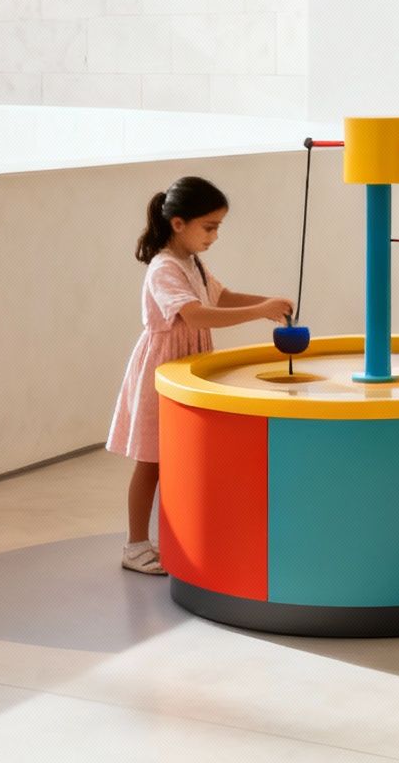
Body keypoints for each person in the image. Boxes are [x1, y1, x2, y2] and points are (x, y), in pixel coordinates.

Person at [107, 176, 292, 573]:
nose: (214, 236)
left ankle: (181, 536)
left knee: (181, 457)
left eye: (218, 227)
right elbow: (195, 314)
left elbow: (219, 298)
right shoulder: (163, 268)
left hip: (187, 367)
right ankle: (135, 545)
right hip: (162, 370)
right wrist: (260, 311)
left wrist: (267, 301)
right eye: (209, 227)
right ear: (178, 223)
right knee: (151, 461)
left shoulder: (193, 262)